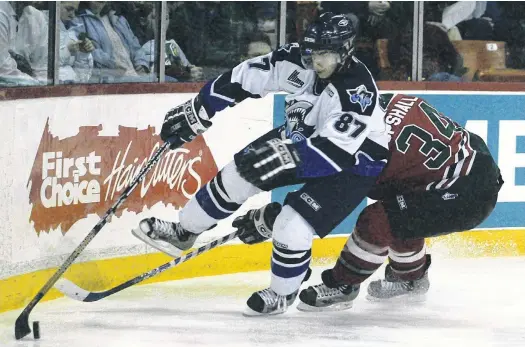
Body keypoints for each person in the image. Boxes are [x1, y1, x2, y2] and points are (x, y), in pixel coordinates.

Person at [131, 13, 384, 315]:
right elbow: (244, 77)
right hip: (301, 139)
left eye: (325, 54)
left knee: (291, 224)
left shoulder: (358, 92)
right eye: (313, 51)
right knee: (237, 175)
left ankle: (282, 294)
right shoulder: (295, 60)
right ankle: (184, 231)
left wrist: (286, 158)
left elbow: (334, 154)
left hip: (354, 162)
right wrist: (200, 108)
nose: (316, 60)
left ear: (345, 51)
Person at [232, 92, 502, 312]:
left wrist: (275, 220)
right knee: (401, 210)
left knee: (378, 220)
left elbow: (329, 196)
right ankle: (411, 280)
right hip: (472, 162)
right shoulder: (372, 103)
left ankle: (343, 285)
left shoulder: (364, 144)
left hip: (467, 193)